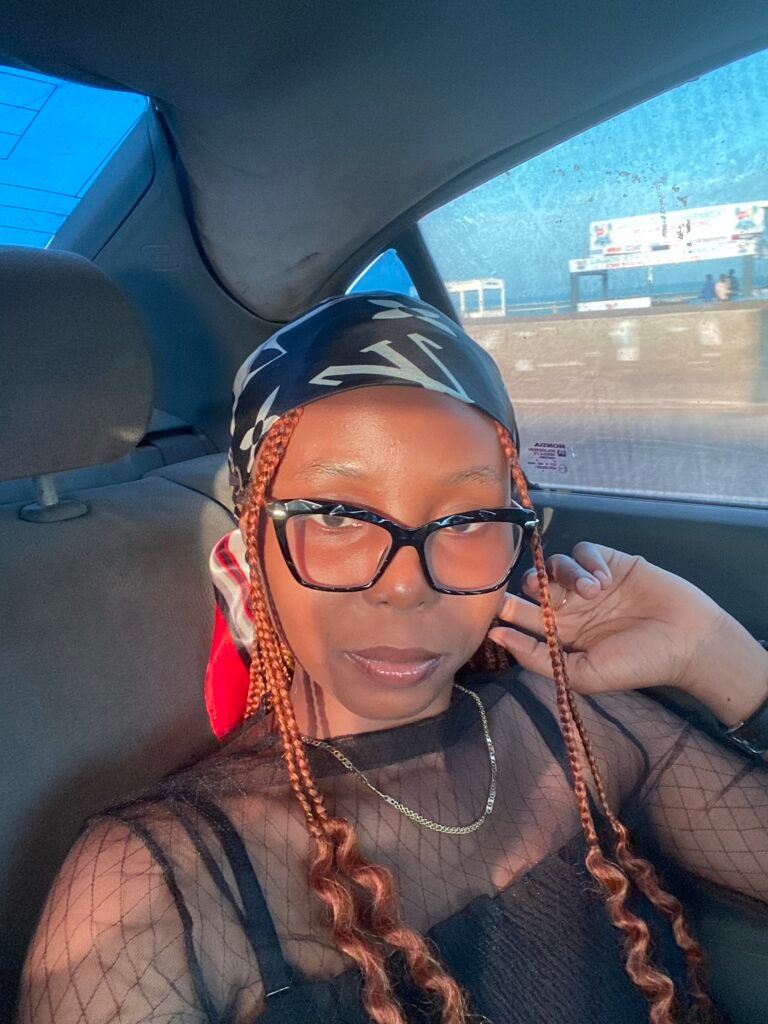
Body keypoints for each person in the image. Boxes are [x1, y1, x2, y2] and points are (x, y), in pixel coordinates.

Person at [17, 293, 768, 1024]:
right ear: (252, 545)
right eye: (337, 515)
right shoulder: (152, 890)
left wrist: (719, 656)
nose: (407, 586)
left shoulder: (576, 724)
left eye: (468, 519)